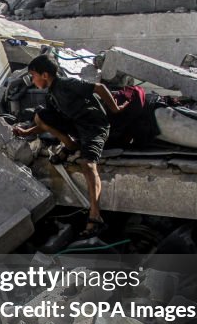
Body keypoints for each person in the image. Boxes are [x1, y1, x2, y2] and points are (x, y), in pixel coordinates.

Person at [13, 54, 125, 238]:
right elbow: (44, 123)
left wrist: (115, 109)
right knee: (40, 115)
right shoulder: (51, 95)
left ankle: (95, 216)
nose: (32, 80)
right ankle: (71, 146)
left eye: (34, 75)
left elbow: (99, 87)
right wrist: (26, 133)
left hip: (93, 126)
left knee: (88, 165)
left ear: (45, 75)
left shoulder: (66, 84)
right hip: (77, 126)